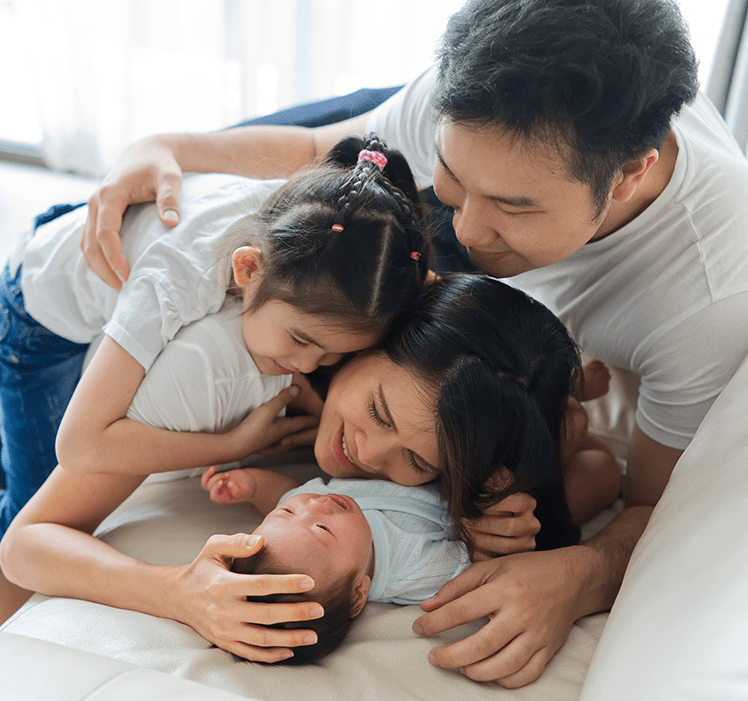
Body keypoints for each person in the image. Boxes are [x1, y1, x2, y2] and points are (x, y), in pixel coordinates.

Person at [75, 0, 748, 686]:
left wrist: (582, 574)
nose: (472, 234)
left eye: (515, 206)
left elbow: (646, 502)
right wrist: (167, 146)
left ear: (631, 173)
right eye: (454, 184)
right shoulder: (469, 107)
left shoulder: (706, 301)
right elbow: (323, 153)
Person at [1, 274, 604, 662]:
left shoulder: (471, 406)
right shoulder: (216, 371)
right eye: (377, 411)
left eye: (417, 462)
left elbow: (581, 459)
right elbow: (24, 546)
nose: (368, 457)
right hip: (47, 326)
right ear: (379, 334)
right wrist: (179, 592)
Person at [0, 133, 436, 621]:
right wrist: (230, 444)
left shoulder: (335, 236)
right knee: (25, 502)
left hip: (120, 250)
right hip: (38, 311)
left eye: (337, 354)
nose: (311, 367)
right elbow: (78, 445)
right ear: (248, 268)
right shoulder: (173, 282)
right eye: (301, 341)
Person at [201, 466, 472, 664]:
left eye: (286, 512)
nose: (316, 504)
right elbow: (480, 555)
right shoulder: (414, 567)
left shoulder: (308, 513)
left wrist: (255, 487)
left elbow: (286, 493)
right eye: (323, 529)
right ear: (357, 594)